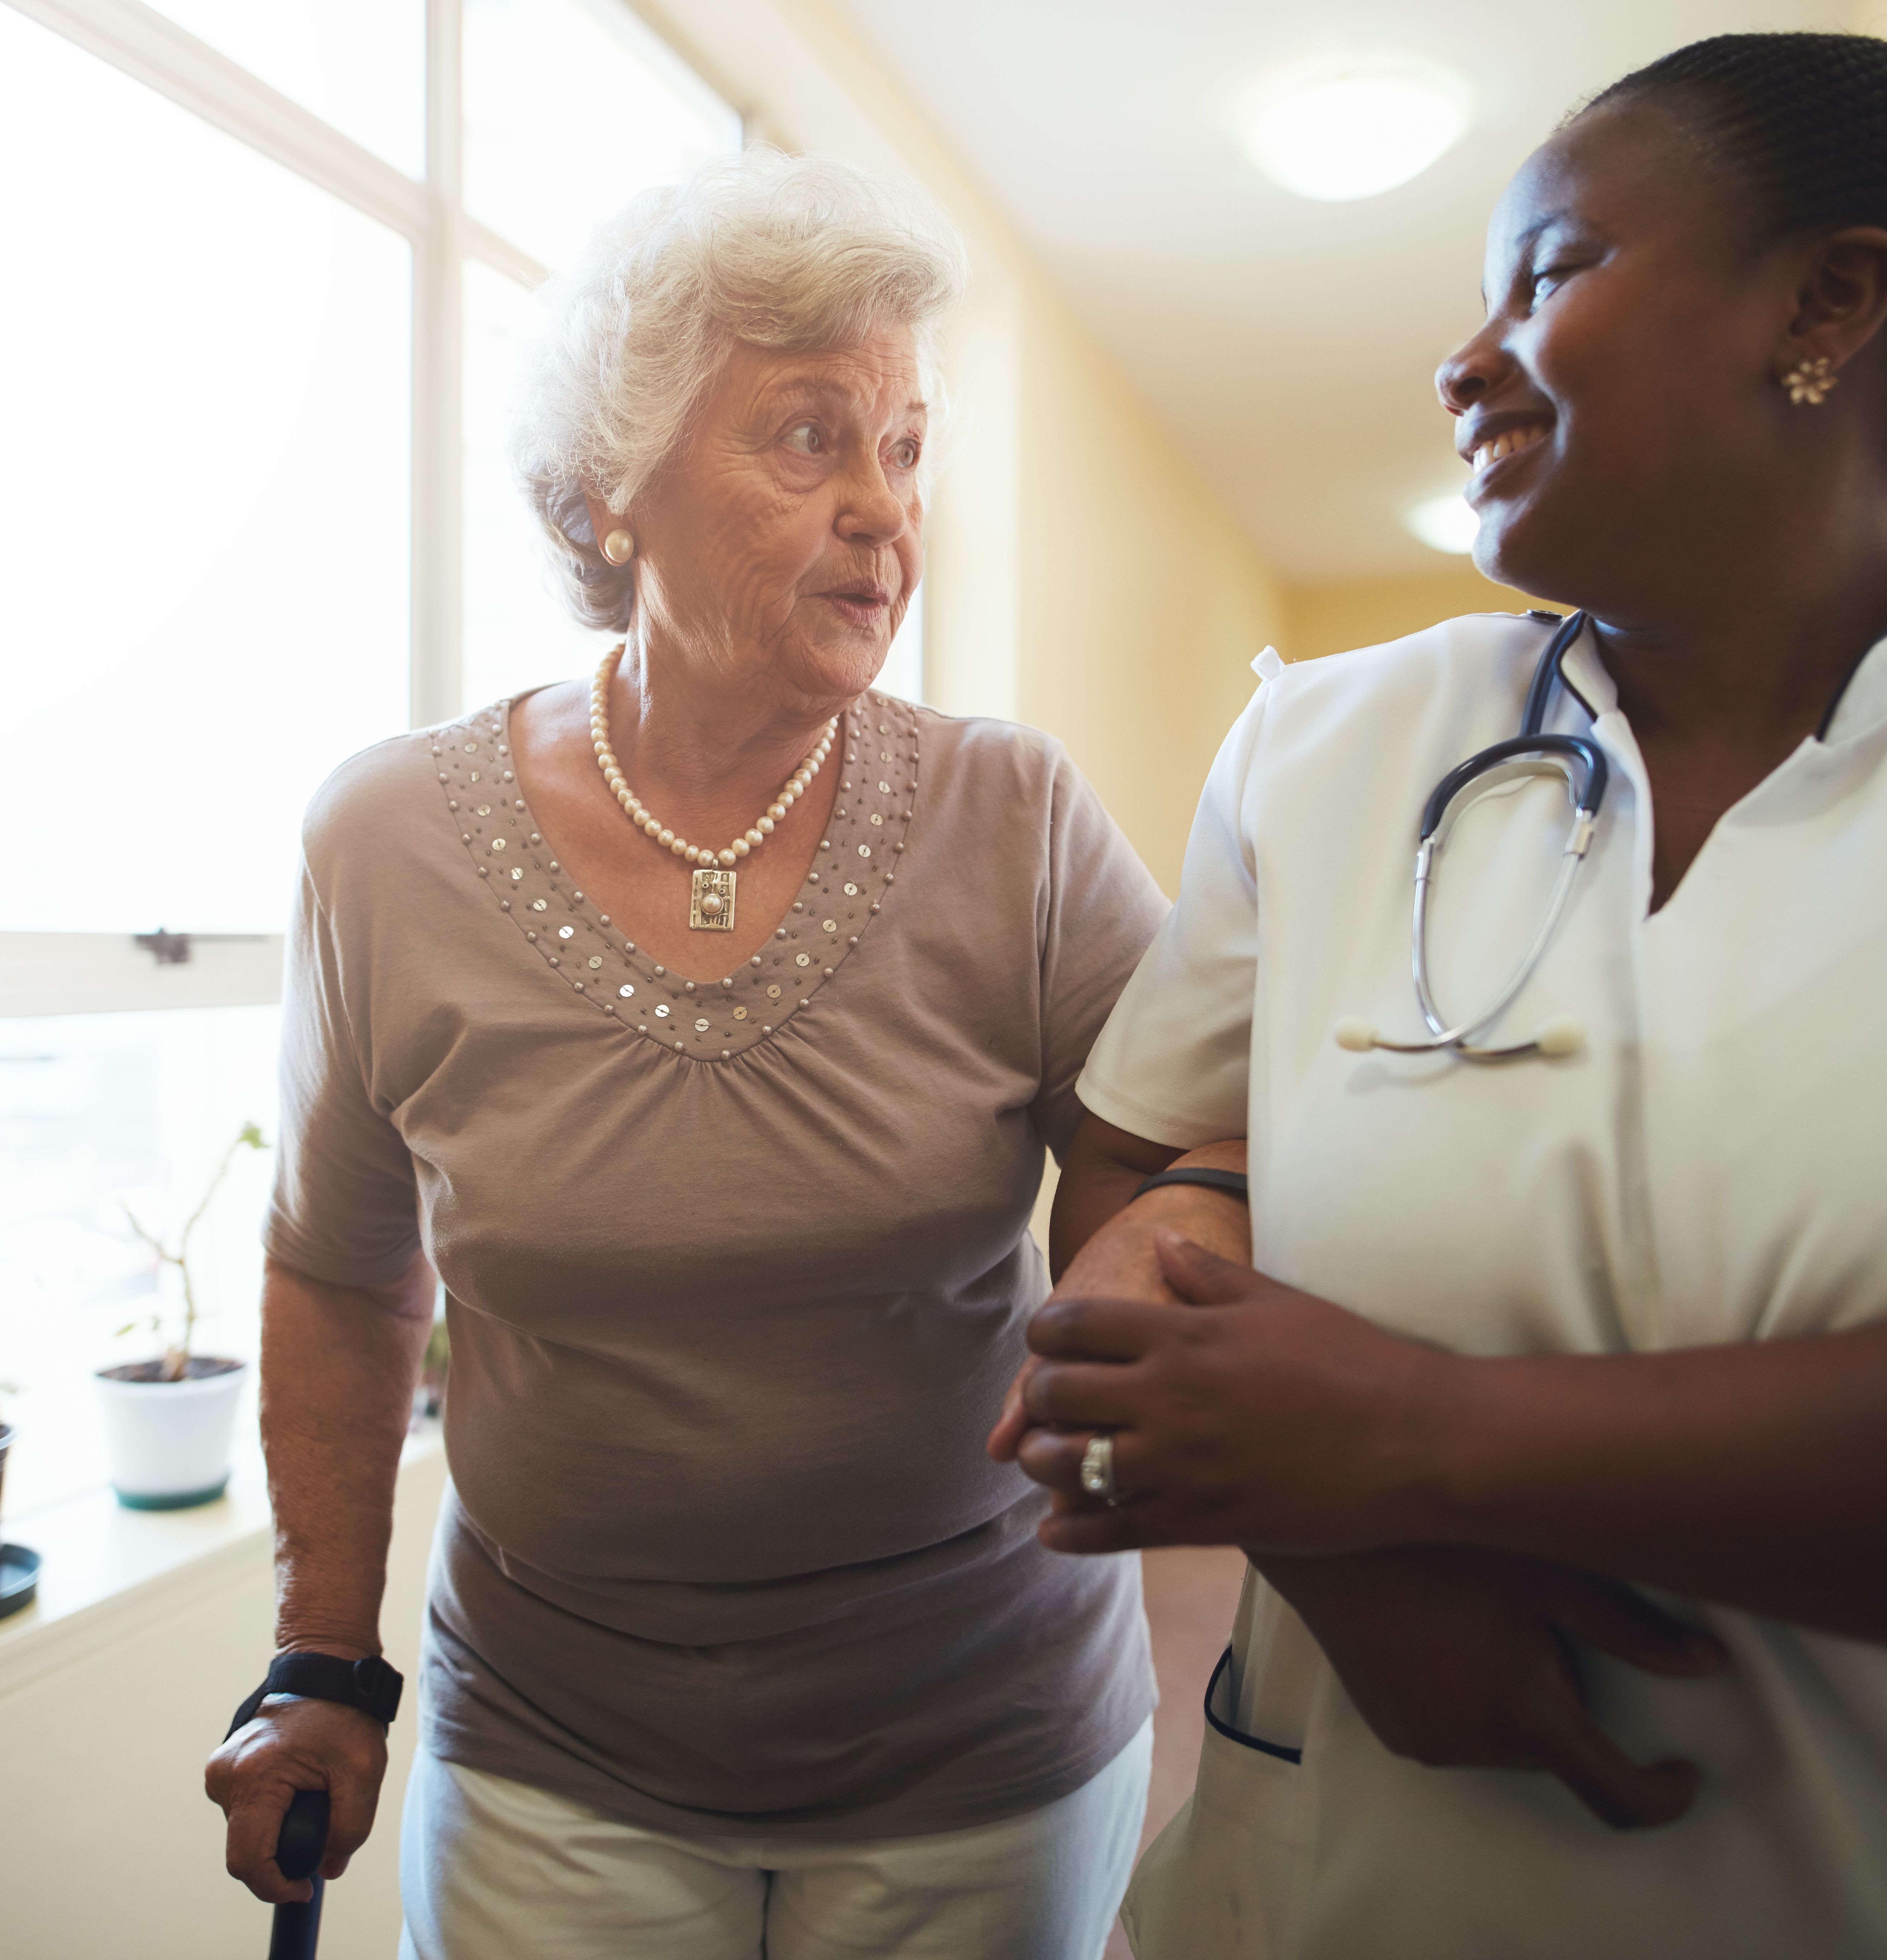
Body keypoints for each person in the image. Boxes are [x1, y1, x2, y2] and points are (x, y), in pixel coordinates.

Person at [995, 33, 1887, 1958]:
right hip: (1374, 1876)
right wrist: (1350, 1571)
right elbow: (1124, 1178)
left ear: (1831, 302)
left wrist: (1416, 1441)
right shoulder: (1334, 750)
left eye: (1553, 271)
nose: (1465, 352)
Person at [204, 149, 1212, 1960]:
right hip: (552, 1755)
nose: (885, 515)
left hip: (976, 1750)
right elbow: (341, 1268)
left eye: (904, 450)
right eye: (810, 438)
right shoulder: (382, 841)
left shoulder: (1017, 815)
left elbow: (1172, 1138)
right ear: (606, 493)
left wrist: (1139, 1256)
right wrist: (318, 1656)